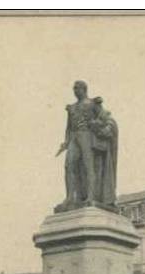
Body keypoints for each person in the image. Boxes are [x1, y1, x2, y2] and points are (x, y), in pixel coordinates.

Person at [56, 81, 96, 210]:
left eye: (77, 88)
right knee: (69, 165)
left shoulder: (92, 103)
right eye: (73, 88)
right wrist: (66, 141)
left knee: (87, 165)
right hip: (74, 137)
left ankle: (91, 196)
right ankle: (69, 197)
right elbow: (68, 127)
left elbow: (101, 121)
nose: (74, 91)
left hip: (86, 135)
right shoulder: (71, 108)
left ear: (84, 89)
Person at [90, 97, 118, 206]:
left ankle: (103, 197)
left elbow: (108, 131)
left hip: (103, 153)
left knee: (101, 174)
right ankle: (96, 195)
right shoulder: (96, 118)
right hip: (96, 151)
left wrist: (97, 128)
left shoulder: (108, 118)